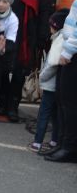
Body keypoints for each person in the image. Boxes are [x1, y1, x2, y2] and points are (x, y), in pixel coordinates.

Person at [0, 0, 52, 121]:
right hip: (6, 30)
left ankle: (13, 106)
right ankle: (2, 102)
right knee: (2, 68)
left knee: (20, 72)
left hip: (27, 35)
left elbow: (44, 13)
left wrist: (42, 37)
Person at [29, 10, 69, 153]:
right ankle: (54, 140)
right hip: (59, 86)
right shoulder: (65, 38)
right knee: (56, 114)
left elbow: (52, 63)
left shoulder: (59, 39)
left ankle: (37, 142)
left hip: (51, 85)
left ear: (56, 26)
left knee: (44, 113)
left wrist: (42, 77)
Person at [45, 0, 77, 162]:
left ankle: (70, 147)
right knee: (63, 100)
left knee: (70, 102)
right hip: (70, 48)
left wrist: (69, 50)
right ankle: (63, 143)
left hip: (73, 51)